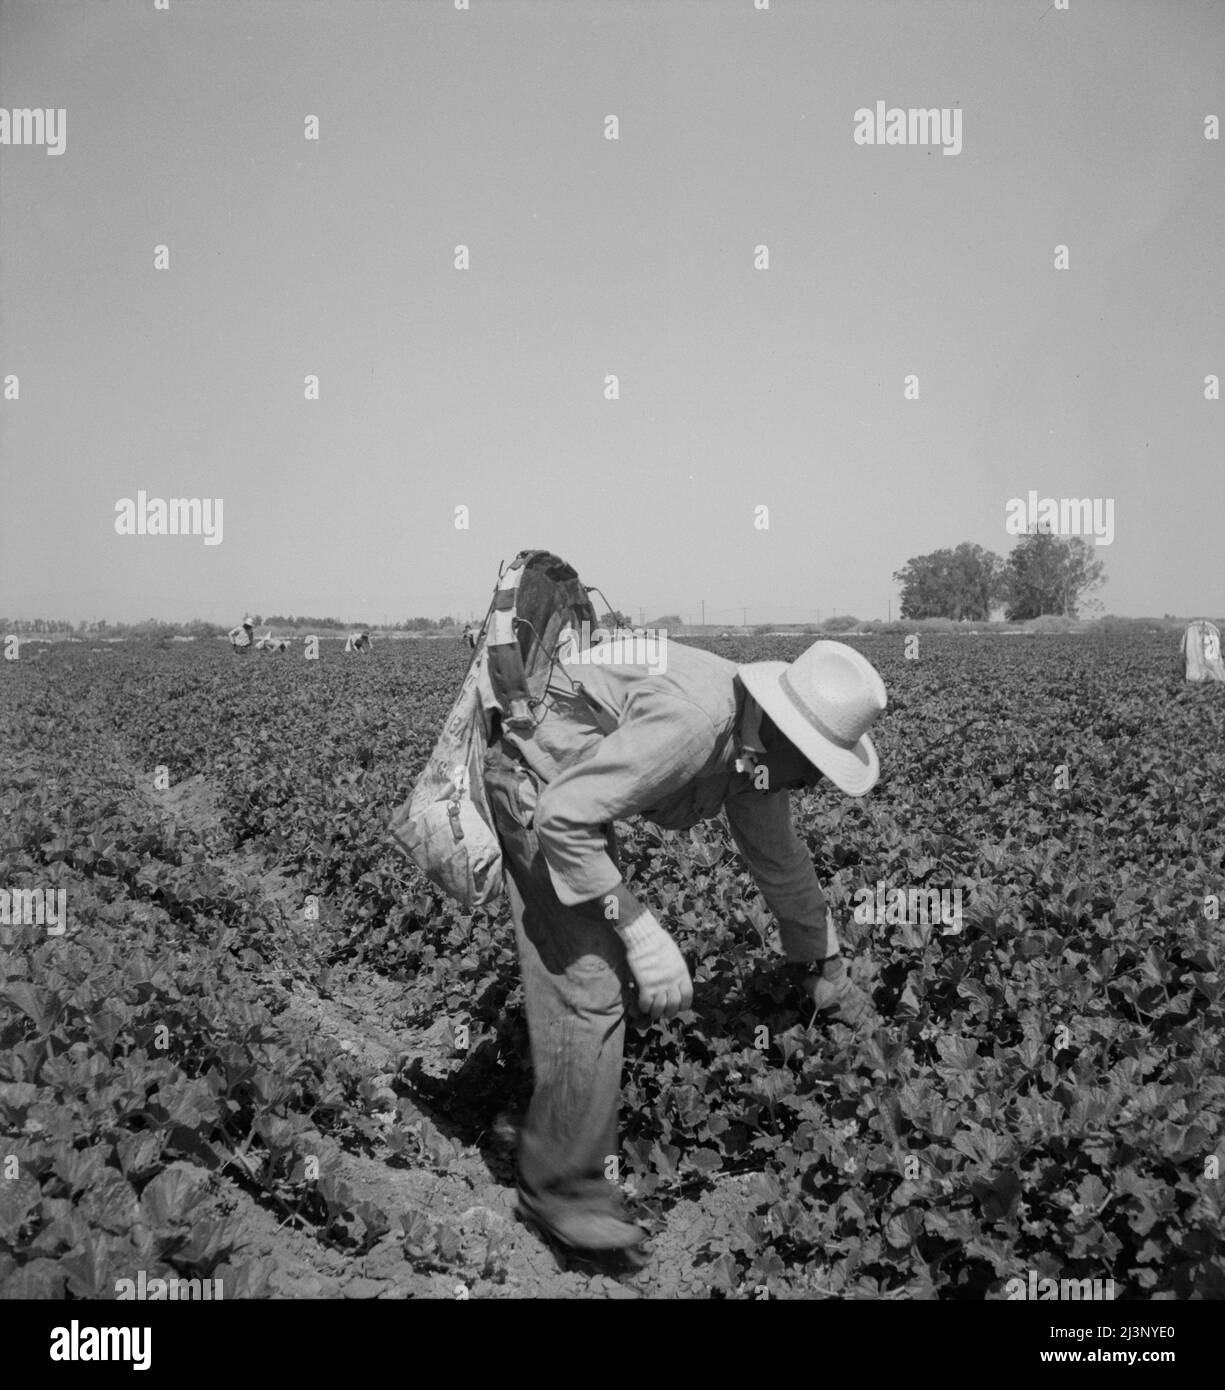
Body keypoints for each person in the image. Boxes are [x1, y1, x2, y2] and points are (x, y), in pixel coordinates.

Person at [482, 635, 887, 1257]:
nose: (812, 782)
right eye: (814, 764)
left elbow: (780, 862)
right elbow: (562, 817)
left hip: (576, 797)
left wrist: (826, 965)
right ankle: (561, 1190)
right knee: (591, 981)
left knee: (602, 974)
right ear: (783, 732)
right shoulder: (698, 723)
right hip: (538, 789)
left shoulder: (759, 756)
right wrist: (640, 928)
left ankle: (546, 1130)